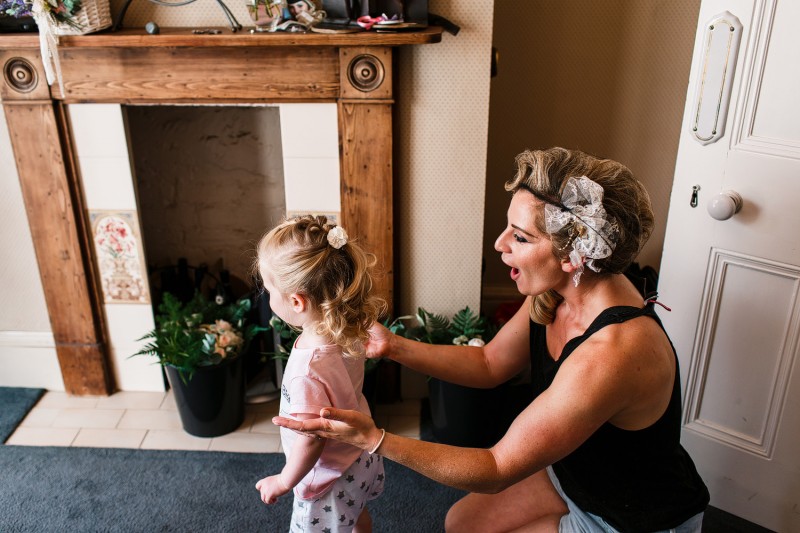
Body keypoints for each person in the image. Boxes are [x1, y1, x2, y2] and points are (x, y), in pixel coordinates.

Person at [274, 147, 711, 532]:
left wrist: (375, 439)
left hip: (629, 519)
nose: (500, 245)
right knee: (460, 524)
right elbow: (490, 364)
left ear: (573, 253)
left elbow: (498, 466)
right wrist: (393, 346)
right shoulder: (558, 292)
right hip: (570, 475)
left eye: (520, 237)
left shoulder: (611, 354)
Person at [254, 215, 387, 533]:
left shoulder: (306, 371)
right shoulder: (347, 328)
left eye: (269, 289)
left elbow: (312, 442)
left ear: (297, 301)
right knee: (356, 516)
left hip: (327, 477)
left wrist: (284, 480)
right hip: (360, 455)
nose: (267, 296)